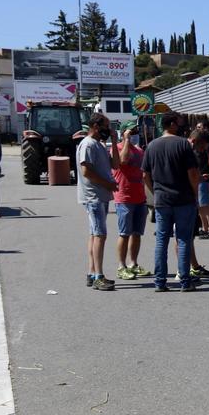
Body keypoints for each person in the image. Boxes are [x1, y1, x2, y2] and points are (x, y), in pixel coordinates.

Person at [141, 111, 201, 292]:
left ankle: (160, 282)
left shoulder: (152, 146)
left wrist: (155, 191)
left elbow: (145, 174)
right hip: (183, 199)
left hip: (162, 200)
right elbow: (192, 173)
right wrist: (195, 193)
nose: (182, 126)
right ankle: (185, 281)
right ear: (173, 124)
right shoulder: (183, 144)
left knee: (161, 241)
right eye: (180, 122)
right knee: (183, 240)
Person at [77, 112, 118, 290]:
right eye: (106, 126)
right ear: (95, 126)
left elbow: (116, 164)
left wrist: (115, 142)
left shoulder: (99, 145)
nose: (108, 130)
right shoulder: (87, 145)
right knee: (100, 235)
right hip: (93, 196)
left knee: (95, 234)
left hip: (100, 195)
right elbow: (86, 171)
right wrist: (108, 184)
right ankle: (98, 276)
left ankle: (92, 272)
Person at [111, 120, 150, 281]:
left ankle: (133, 263)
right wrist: (126, 139)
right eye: (130, 132)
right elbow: (123, 161)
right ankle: (121, 266)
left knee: (137, 234)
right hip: (124, 197)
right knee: (124, 233)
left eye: (134, 133)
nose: (133, 135)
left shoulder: (140, 150)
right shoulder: (118, 148)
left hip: (139, 197)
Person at [191, 130, 209, 238]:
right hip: (197, 177)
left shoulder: (207, 146)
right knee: (200, 205)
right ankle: (204, 228)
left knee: (204, 204)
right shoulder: (193, 147)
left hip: (204, 176)